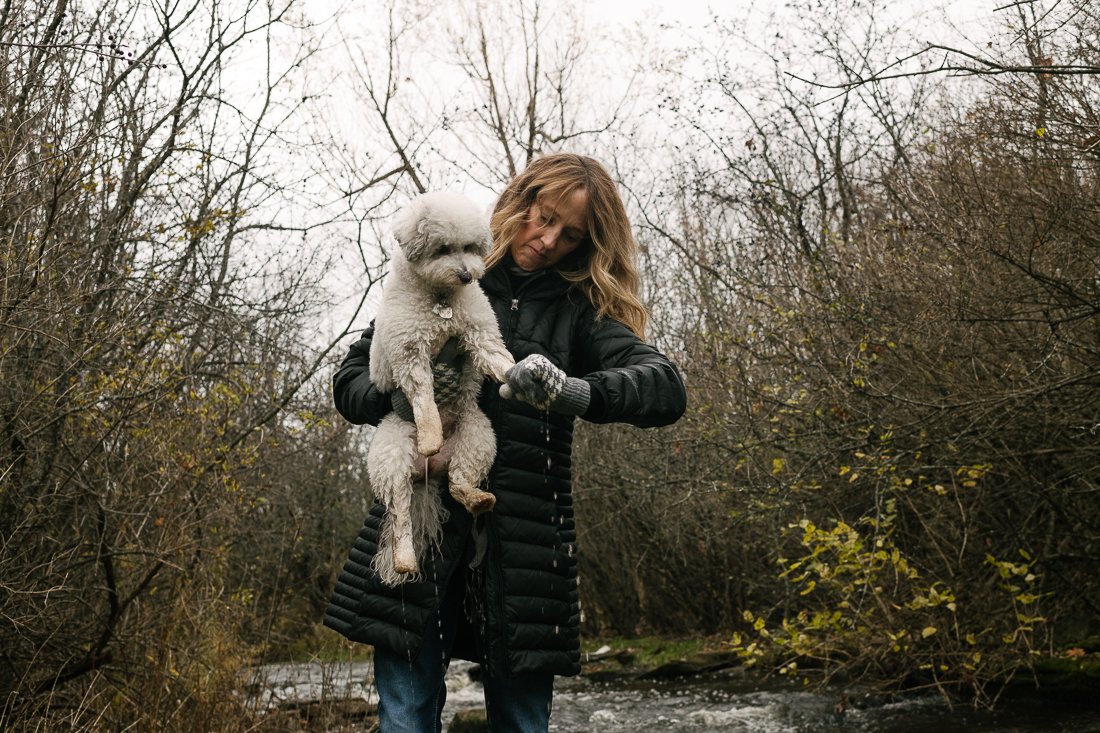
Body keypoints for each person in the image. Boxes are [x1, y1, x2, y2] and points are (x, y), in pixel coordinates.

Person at [323, 153, 687, 733]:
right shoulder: (440, 271)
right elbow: (348, 380)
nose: (547, 241)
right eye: (542, 218)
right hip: (417, 521)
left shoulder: (581, 311)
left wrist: (569, 390)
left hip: (524, 544)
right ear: (519, 203)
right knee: (406, 718)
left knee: (521, 724)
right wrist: (394, 397)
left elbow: (665, 388)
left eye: (570, 236)